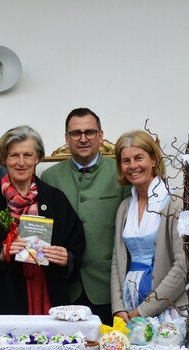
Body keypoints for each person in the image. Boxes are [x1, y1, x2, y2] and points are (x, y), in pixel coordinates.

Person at [0, 125, 84, 315]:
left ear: (37, 158)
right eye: (14, 155)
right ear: (4, 159)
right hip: (8, 295)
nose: (21, 162)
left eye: (28, 155)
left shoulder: (55, 198)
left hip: (49, 290)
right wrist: (1, 254)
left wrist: (66, 258)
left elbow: (76, 243)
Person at [41, 108, 129, 324]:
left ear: (101, 136)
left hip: (107, 286)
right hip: (65, 286)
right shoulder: (50, 176)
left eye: (89, 132)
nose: (83, 139)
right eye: (75, 133)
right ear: (66, 139)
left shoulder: (120, 173)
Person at [110, 130, 187, 320]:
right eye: (126, 161)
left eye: (139, 158)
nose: (133, 166)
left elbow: (183, 265)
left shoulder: (175, 202)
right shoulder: (124, 207)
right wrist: (118, 307)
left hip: (168, 307)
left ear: (153, 160)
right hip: (130, 309)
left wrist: (144, 310)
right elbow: (116, 260)